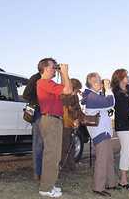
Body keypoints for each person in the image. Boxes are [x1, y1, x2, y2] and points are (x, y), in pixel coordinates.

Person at [36, 58, 72, 198]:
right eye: (53, 67)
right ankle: (45, 188)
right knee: (51, 155)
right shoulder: (43, 82)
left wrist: (63, 74)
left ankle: (49, 183)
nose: (54, 69)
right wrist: (65, 72)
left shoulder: (49, 83)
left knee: (54, 155)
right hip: (50, 120)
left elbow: (64, 90)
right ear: (45, 68)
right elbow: (68, 90)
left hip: (54, 120)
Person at [82, 73, 117, 197]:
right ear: (92, 81)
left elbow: (107, 107)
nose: (101, 83)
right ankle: (98, 187)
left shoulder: (95, 95)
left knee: (109, 159)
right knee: (102, 160)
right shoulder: (91, 96)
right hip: (99, 132)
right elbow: (111, 102)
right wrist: (108, 89)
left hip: (104, 131)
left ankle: (111, 183)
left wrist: (106, 90)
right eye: (99, 81)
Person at [60, 78, 85, 171]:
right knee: (65, 146)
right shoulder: (64, 96)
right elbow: (66, 109)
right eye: (76, 89)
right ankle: (64, 165)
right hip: (66, 123)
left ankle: (71, 165)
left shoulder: (75, 96)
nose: (77, 92)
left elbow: (78, 109)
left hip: (72, 124)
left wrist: (81, 118)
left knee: (72, 144)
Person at [22, 72, 43, 180]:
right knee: (38, 144)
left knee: (41, 144)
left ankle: (41, 172)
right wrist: (39, 101)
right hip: (38, 112)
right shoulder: (37, 78)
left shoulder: (41, 78)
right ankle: (38, 173)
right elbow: (26, 94)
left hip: (42, 113)